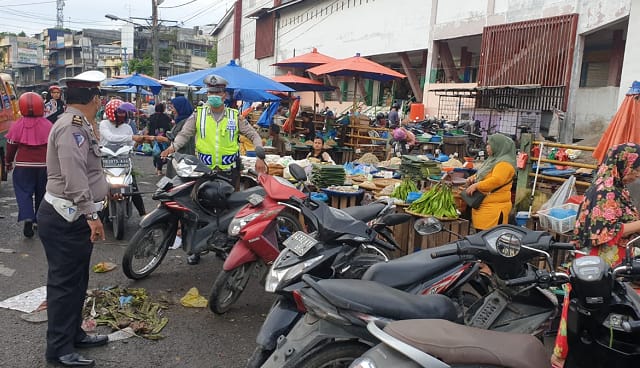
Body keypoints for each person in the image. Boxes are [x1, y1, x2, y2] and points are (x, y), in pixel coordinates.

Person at [37, 70, 109, 367]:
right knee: (64, 285)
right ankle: (58, 350)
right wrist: (91, 213)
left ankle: (73, 334)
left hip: (72, 217)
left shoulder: (80, 123)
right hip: (68, 216)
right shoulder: (71, 127)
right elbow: (74, 175)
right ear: (94, 98)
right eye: (99, 96)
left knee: (77, 280)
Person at [160, 74, 267, 265]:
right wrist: (173, 147)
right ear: (207, 94)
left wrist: (260, 155)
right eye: (210, 92)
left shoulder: (235, 116)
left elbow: (253, 135)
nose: (213, 95)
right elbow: (185, 134)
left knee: (227, 211)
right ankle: (194, 249)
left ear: (224, 95)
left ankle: (223, 247)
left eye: (217, 92)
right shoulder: (198, 114)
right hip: (203, 171)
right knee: (196, 209)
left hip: (228, 171)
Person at [551, 142, 640, 367]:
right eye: (636, 170)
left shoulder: (617, 187)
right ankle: (562, 355)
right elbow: (607, 232)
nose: (637, 175)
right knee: (583, 307)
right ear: (623, 164)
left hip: (609, 260)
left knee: (602, 309)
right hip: (597, 261)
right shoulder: (605, 190)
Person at [4, 92, 53, 237]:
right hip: (44, 166)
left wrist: (8, 162)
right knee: (42, 193)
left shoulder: (17, 125)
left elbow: (11, 145)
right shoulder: (48, 125)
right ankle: (38, 219)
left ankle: (27, 217)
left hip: (23, 166)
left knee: (23, 194)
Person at [98, 98, 150, 217]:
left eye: (124, 113)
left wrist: (140, 141)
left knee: (133, 186)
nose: (123, 115)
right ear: (112, 113)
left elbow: (131, 146)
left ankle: (143, 213)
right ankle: (95, 216)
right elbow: (110, 137)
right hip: (106, 160)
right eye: (120, 112)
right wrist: (132, 138)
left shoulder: (127, 127)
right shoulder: (104, 124)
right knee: (98, 186)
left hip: (123, 161)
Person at [464, 133, 516, 231]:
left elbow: (496, 180)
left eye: (490, 145)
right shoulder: (492, 160)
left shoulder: (504, 164)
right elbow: (483, 174)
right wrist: (473, 177)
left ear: (499, 146)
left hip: (494, 210)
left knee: (490, 238)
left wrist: (476, 185)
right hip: (483, 205)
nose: (487, 147)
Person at [165, 95, 195, 178]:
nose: (172, 110)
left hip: (184, 156)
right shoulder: (179, 120)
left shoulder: (188, 122)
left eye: (173, 107)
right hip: (176, 155)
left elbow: (182, 136)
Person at [146, 102, 173, 175]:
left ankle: (157, 168)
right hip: (164, 138)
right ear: (163, 109)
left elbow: (148, 128)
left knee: (156, 152)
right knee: (162, 153)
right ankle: (159, 169)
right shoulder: (167, 117)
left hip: (153, 138)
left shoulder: (151, 117)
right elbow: (170, 127)